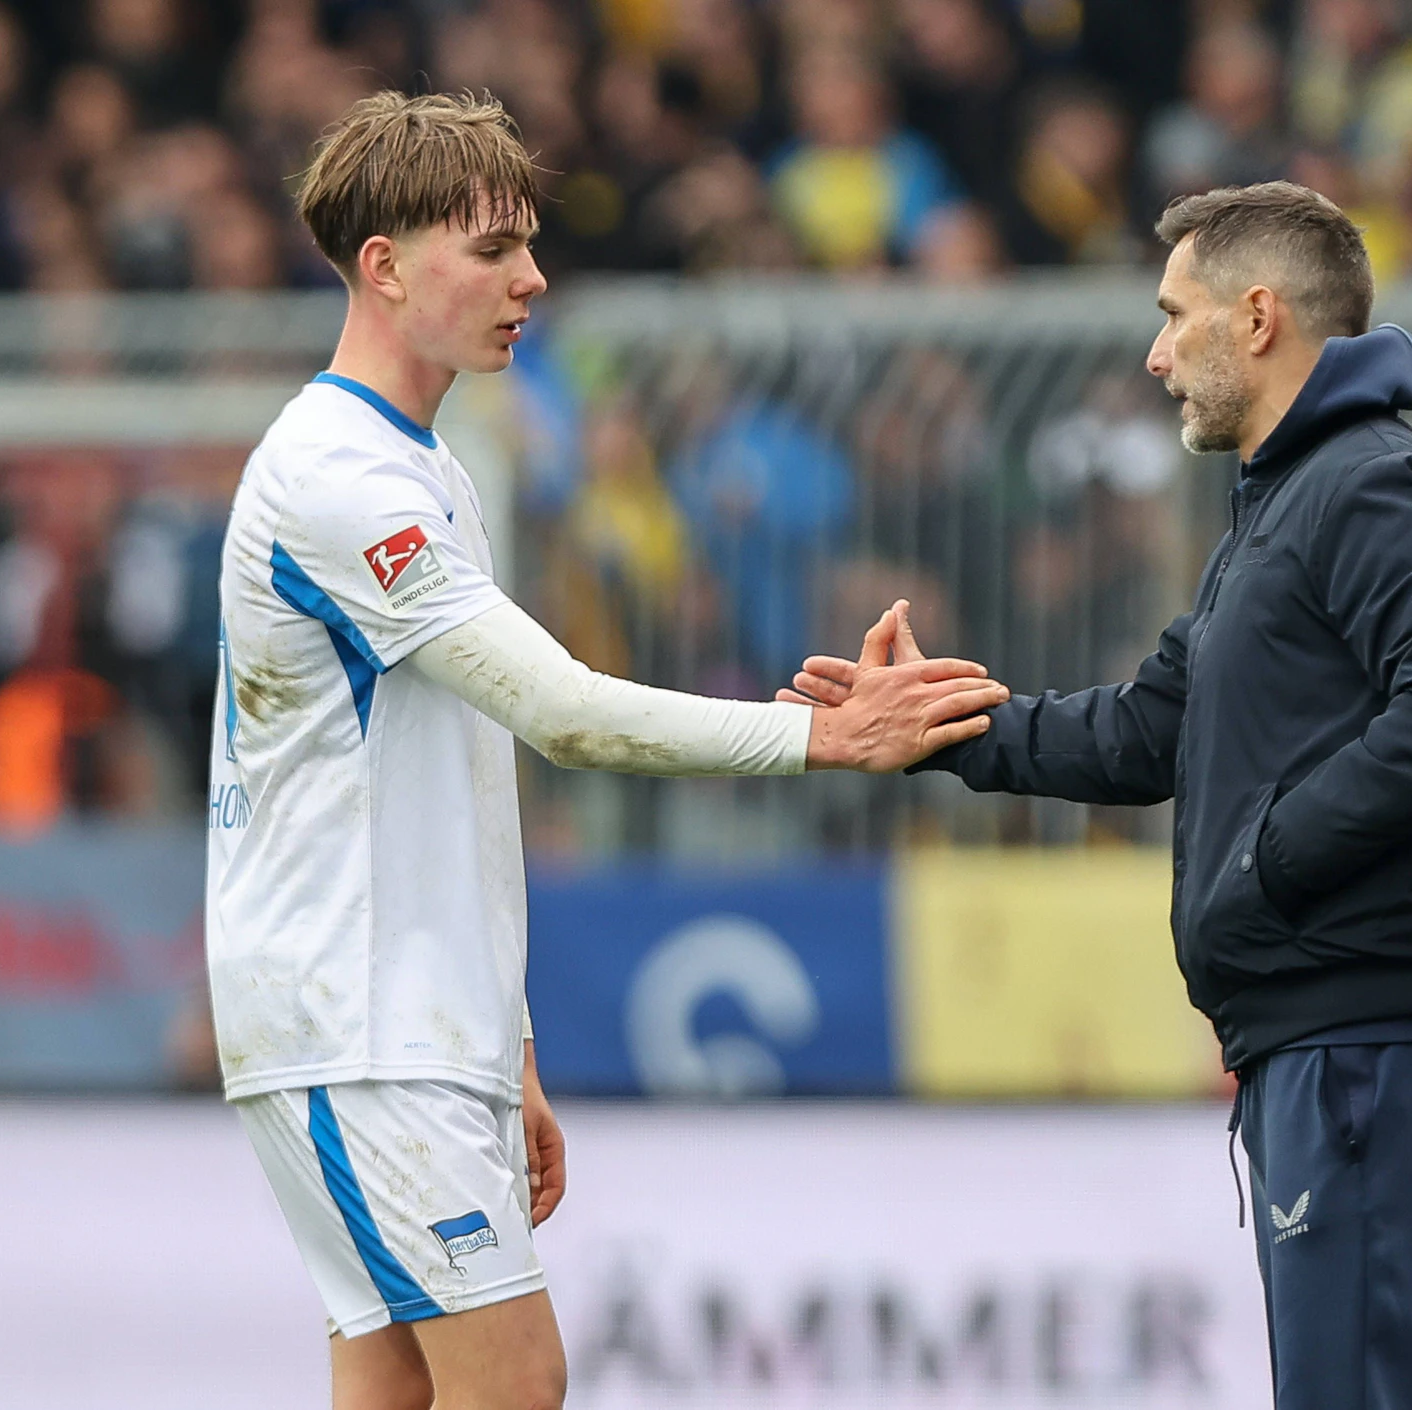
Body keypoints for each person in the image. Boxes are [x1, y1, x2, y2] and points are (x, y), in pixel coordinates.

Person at [205, 90, 1008, 1410]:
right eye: (490, 248)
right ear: (386, 267)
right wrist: (828, 736)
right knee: (512, 1381)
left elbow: (454, 770)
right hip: (352, 1021)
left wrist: (500, 1048)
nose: (531, 278)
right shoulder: (341, 479)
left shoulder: (426, 465)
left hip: (405, 1024)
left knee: (398, 1386)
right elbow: (562, 711)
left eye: (528, 244)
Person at [783, 181, 1412, 1410]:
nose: (1152, 352)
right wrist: (941, 730)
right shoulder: (1282, 508)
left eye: (1171, 315)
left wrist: (1267, 862)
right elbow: (1148, 733)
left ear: (1255, 319)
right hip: (1326, 1043)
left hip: (1372, 1045)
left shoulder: (1368, 487)